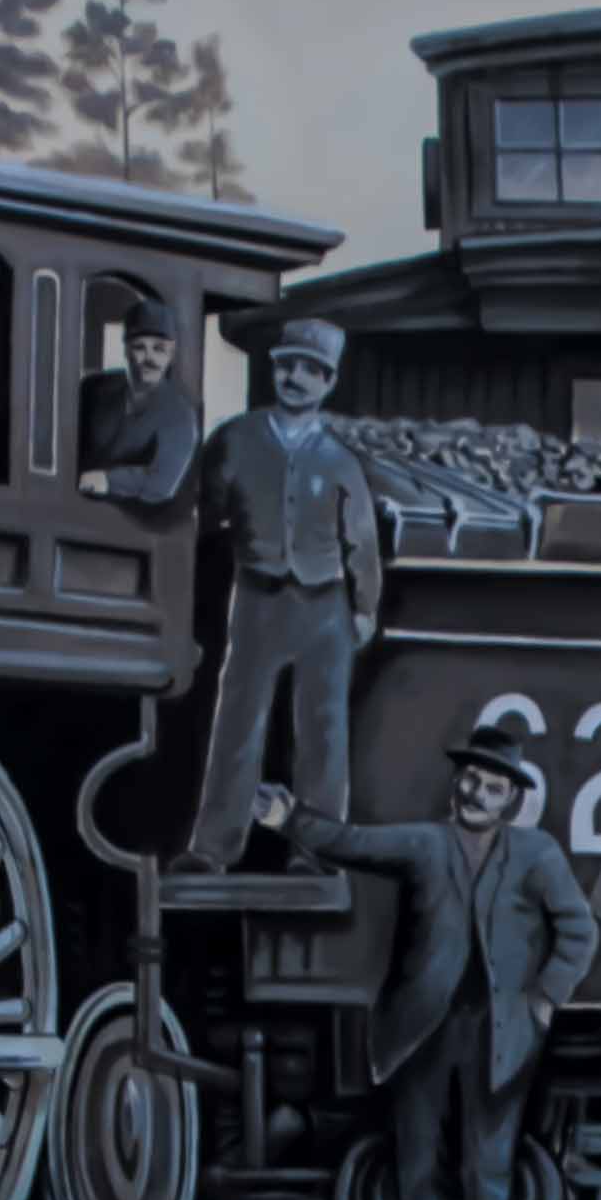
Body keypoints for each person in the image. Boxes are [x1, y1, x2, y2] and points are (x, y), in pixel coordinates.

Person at [266, 707, 594, 1200]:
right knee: (420, 1160)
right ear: (457, 782)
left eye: (492, 787)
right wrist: (289, 819)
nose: (476, 793)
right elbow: (351, 843)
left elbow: (580, 930)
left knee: (489, 1160)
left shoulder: (537, 854)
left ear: (511, 801)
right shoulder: (424, 844)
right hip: (422, 1030)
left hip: (503, 1032)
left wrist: (546, 998)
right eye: (470, 779)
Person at [181, 320, 381, 870]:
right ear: (274, 370)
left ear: (329, 382)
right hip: (257, 598)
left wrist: (364, 608)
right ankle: (212, 848)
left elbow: (361, 541)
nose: (296, 378)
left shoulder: (340, 460)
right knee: (238, 722)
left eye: (311, 371)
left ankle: (316, 851)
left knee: (323, 732)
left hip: (325, 605)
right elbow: (203, 512)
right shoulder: (235, 439)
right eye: (288, 365)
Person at [75, 297, 194, 500]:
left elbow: (161, 483)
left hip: (129, 515)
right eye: (140, 347)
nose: (149, 359)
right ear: (125, 349)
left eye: (159, 349)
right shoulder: (93, 389)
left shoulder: (179, 414)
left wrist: (108, 480)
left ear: (171, 355)